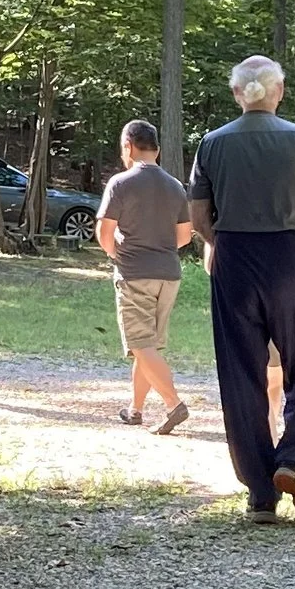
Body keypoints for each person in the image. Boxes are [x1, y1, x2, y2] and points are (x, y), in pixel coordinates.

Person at [188, 54, 295, 522]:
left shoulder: (212, 144)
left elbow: (199, 219)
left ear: (237, 93)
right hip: (293, 256)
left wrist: (223, 245)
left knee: (241, 374)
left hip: (234, 258)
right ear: (279, 91)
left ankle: (260, 493)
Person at [96, 117, 193, 432]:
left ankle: (173, 404)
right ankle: (135, 409)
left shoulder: (121, 183)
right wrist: (159, 246)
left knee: (141, 344)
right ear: (157, 150)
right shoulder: (175, 186)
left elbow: (104, 234)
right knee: (148, 345)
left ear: (128, 146)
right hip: (169, 275)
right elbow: (184, 237)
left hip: (135, 273)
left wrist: (118, 252)